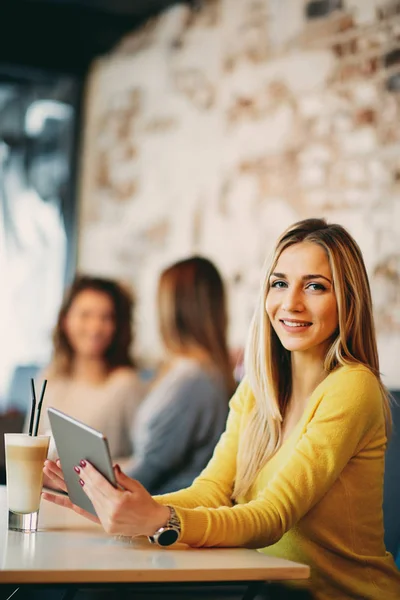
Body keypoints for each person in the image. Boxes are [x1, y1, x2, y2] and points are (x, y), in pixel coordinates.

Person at [44, 220, 400, 600]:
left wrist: (159, 519)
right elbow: (212, 490)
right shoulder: (257, 385)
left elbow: (272, 517)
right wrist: (125, 510)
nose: (291, 302)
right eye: (279, 283)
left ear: (347, 298)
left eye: (315, 286)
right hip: (266, 585)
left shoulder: (352, 386)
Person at [120, 256, 235, 493]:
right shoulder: (195, 371)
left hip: (164, 512)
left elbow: (150, 469)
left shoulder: (194, 379)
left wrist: (88, 480)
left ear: (172, 309)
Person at [32, 275, 144, 460]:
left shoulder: (127, 385)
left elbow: (145, 461)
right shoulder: (48, 378)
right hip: (44, 487)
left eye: (106, 317)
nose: (95, 327)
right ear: (66, 320)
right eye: (85, 315)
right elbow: (27, 444)